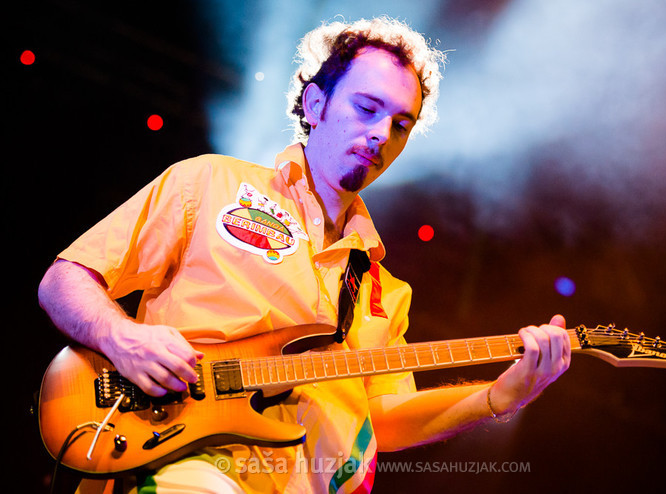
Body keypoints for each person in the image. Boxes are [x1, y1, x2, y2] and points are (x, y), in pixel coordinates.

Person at [38, 16, 571, 494]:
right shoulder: (209, 182)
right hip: (182, 460)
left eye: (402, 124)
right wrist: (121, 336)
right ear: (316, 105)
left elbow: (384, 418)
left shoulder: (383, 289)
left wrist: (502, 395)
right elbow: (66, 279)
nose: (381, 133)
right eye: (367, 107)